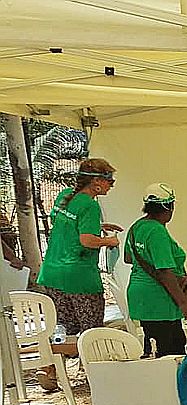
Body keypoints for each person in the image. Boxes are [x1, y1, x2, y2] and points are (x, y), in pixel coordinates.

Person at [37, 157, 122, 388]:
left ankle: (50, 369)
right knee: (90, 328)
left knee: (62, 326)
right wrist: (108, 241)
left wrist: (98, 228)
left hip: (53, 272)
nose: (111, 185)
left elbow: (64, 224)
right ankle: (95, 373)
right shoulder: (90, 205)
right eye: (109, 180)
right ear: (96, 182)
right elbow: (86, 240)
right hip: (79, 276)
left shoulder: (64, 195)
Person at [123, 183, 187, 357]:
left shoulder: (137, 227)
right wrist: (184, 303)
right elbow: (165, 272)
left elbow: (128, 258)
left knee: (154, 347)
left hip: (141, 296)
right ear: (170, 206)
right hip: (159, 298)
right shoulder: (157, 232)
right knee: (172, 352)